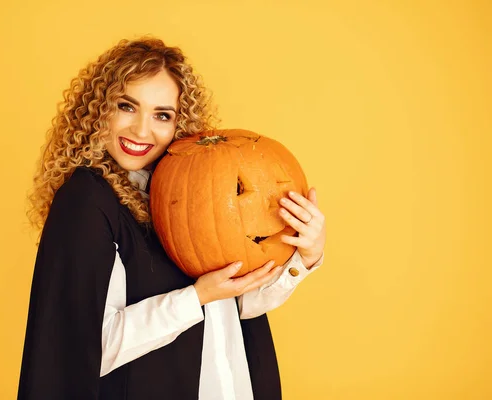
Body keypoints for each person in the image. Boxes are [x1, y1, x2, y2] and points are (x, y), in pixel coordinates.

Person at [17, 37, 326, 400]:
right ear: (99, 109)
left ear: (179, 123)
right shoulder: (86, 201)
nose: (142, 130)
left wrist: (304, 258)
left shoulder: (181, 192)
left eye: (162, 114)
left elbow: (238, 304)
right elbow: (82, 351)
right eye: (127, 107)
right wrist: (194, 298)